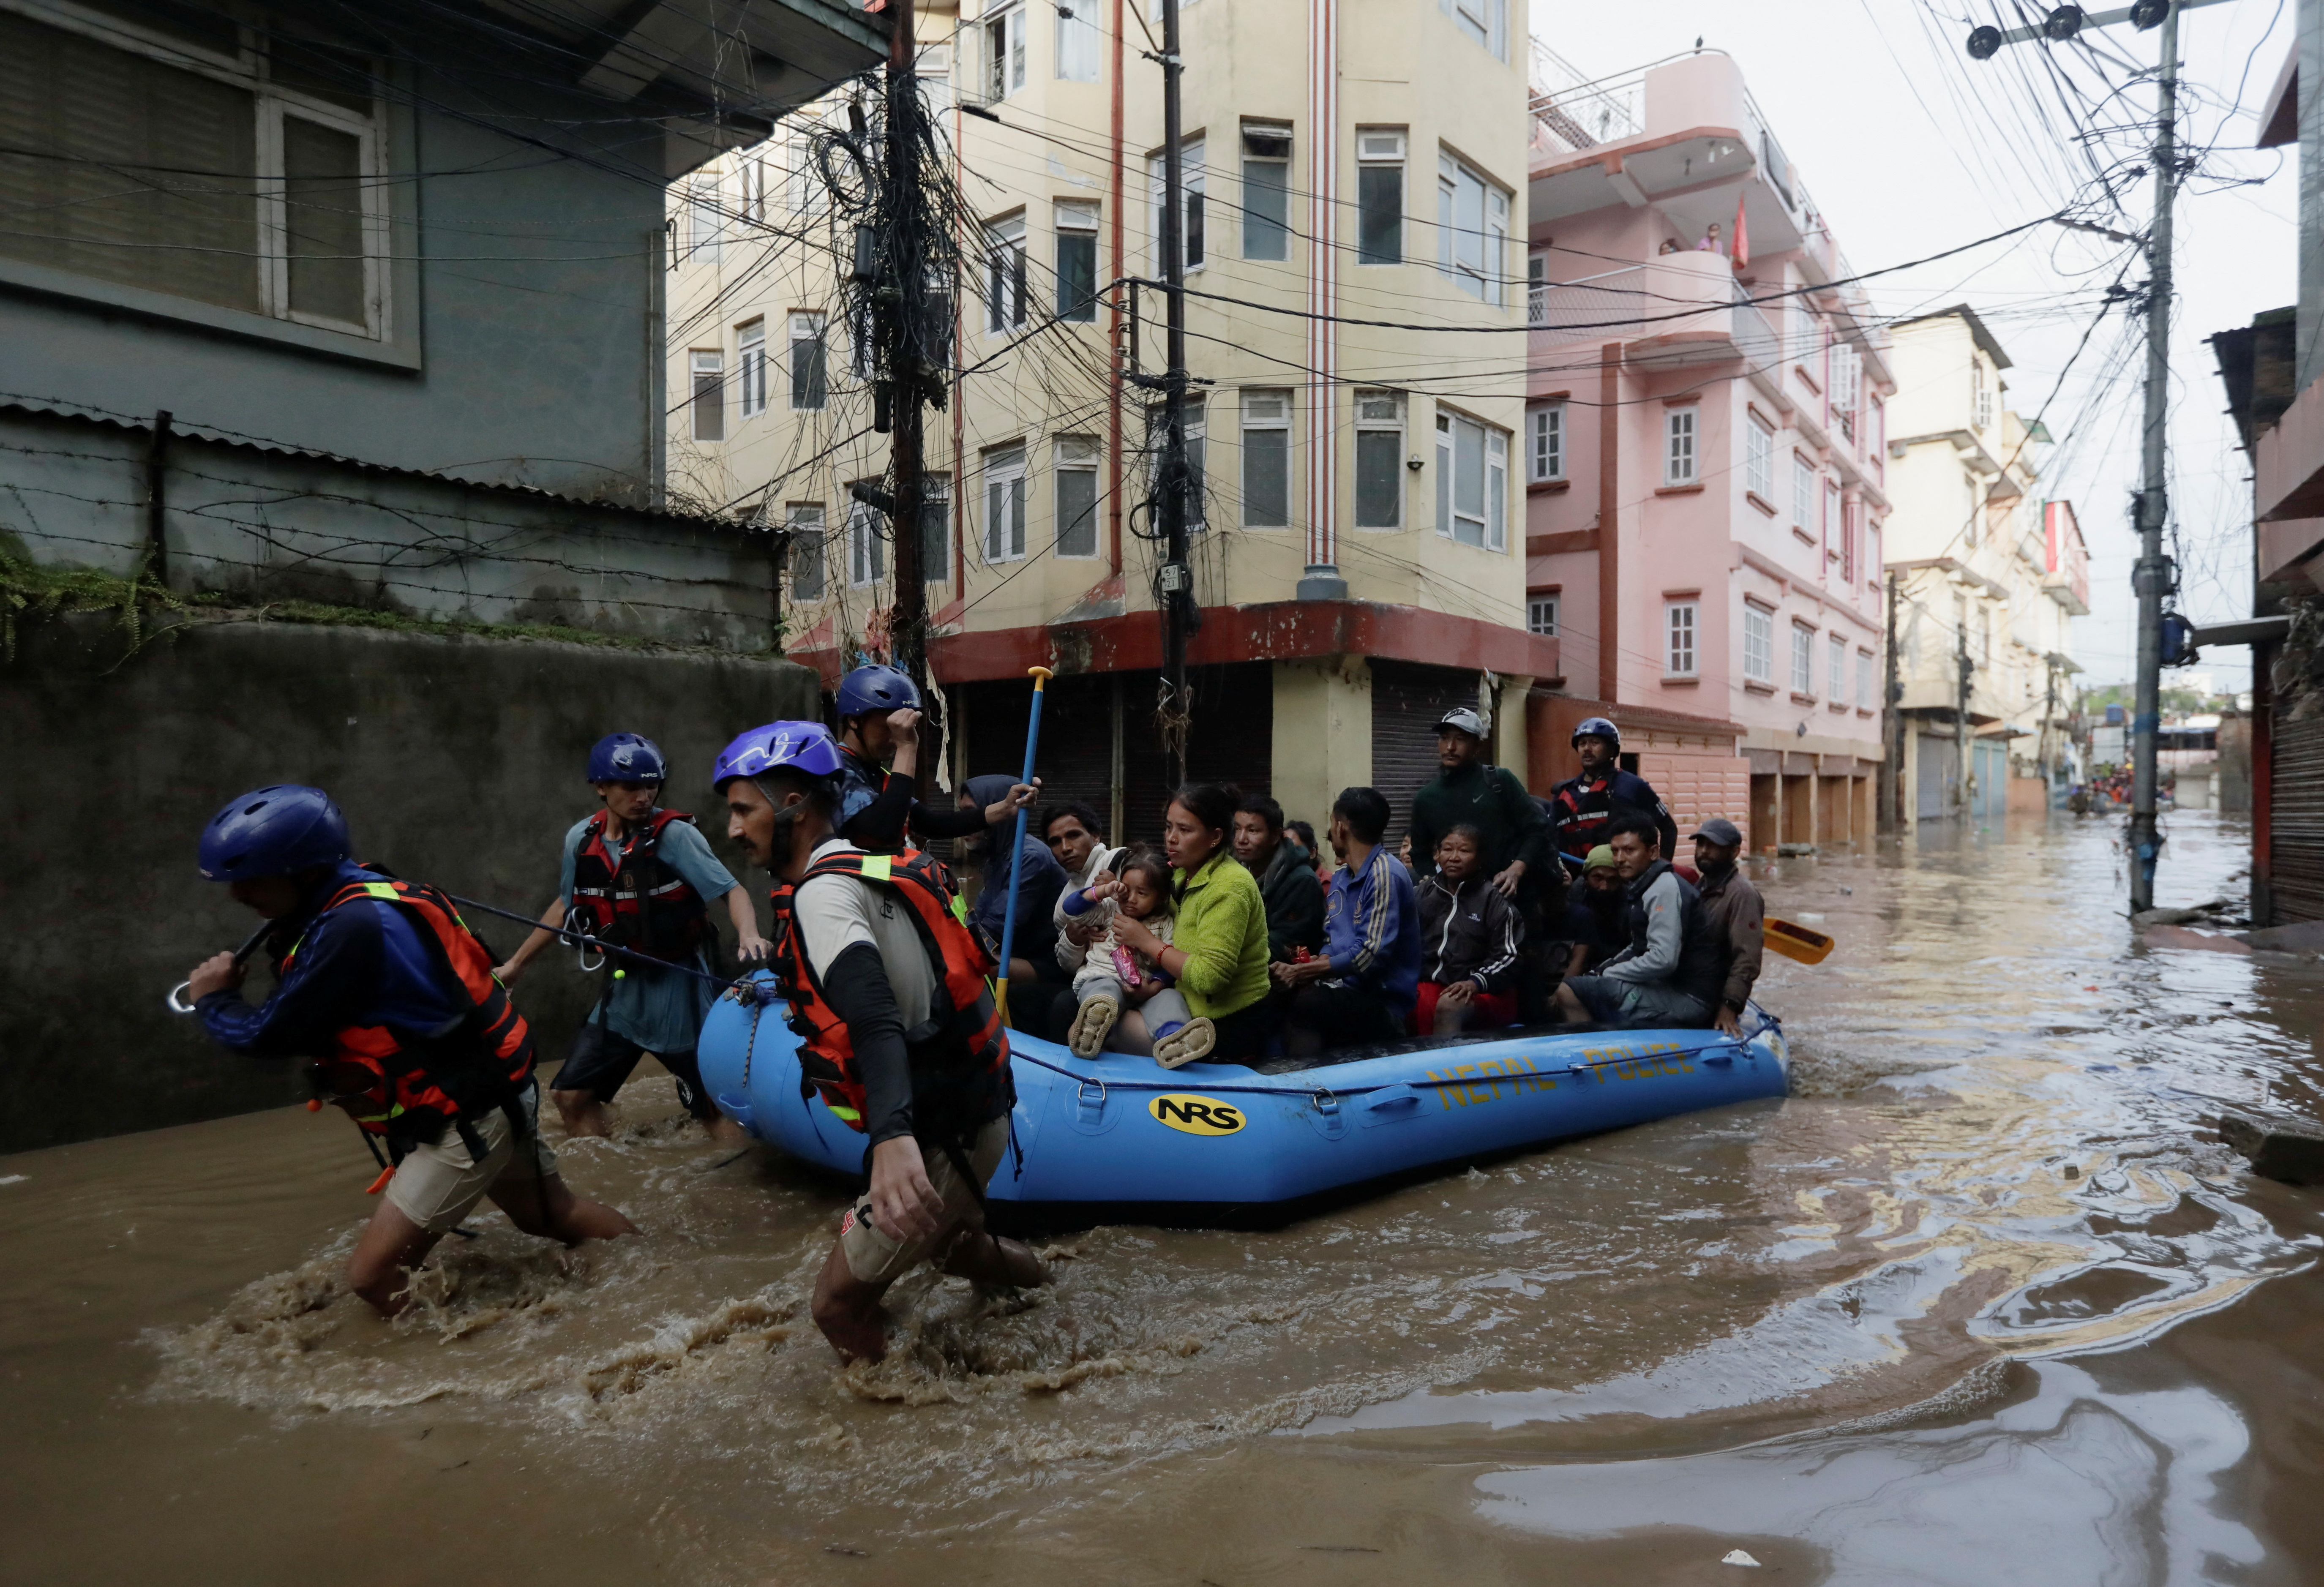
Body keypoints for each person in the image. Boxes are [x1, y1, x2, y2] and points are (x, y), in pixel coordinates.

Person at [184, 785, 636, 1315]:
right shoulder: (359, 896)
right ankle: (653, 1268)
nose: (238, 897)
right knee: (552, 1217)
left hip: (467, 1117)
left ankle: (480, 1375)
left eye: (250, 881)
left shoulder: (348, 927)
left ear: (303, 870)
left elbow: (269, 1034)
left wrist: (215, 1001)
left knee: (372, 1279)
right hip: (489, 1095)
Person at [715, 722, 1047, 1364]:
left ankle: (900, 1435)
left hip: (937, 1129)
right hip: (974, 1104)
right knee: (959, 1250)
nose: (732, 829)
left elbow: (873, 1015)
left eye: (741, 810)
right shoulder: (860, 858)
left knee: (835, 1307)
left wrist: (893, 1139)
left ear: (793, 806)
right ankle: (1048, 1288)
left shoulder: (824, 895)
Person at [494, 733, 767, 1142]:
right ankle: (617, 1169)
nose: (643, 796)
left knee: (714, 1111)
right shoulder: (581, 840)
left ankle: (734, 1184)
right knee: (570, 1096)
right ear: (601, 787)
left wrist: (749, 933)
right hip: (623, 996)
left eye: (651, 785)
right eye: (631, 786)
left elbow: (732, 891)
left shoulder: (676, 837)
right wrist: (516, 965)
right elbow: (565, 906)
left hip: (680, 993)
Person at [1110, 783, 1277, 1065]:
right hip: (1183, 1005)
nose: (1171, 839)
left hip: (1226, 1024)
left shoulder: (1230, 886)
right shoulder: (1180, 877)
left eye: (1185, 830)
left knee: (1108, 1025)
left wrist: (1148, 942)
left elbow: (1210, 978)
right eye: (1168, 827)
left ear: (1215, 837)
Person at [828, 663, 1039, 854]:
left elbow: (932, 824)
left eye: (903, 731)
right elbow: (884, 829)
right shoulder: (834, 768)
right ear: (854, 721)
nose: (896, 740)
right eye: (889, 729)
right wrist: (908, 747)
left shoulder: (874, 773)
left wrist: (1005, 808)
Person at [1273, 787, 1421, 1055]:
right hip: (1342, 990)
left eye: (1331, 824)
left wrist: (1312, 971)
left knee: (1307, 1001)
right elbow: (1331, 935)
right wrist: (1320, 960)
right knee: (1282, 994)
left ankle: (1306, 1084)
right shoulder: (1342, 877)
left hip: (1383, 1003)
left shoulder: (1385, 874)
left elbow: (1370, 955)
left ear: (1341, 828)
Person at [1552, 813, 1724, 1030]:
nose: (1620, 859)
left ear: (1653, 852)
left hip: (1690, 998)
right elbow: (1638, 947)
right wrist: (1603, 970)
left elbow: (1663, 960)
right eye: (1615, 851)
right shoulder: (1644, 885)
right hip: (1672, 987)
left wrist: (1610, 974)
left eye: (1629, 850)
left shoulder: (1663, 889)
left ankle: (1592, 1056)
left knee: (1567, 991)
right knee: (1591, 981)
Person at [1057, 849, 1213, 1063]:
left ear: (1161, 898)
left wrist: (1153, 988)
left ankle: (1175, 1039)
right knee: (1106, 992)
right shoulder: (1110, 909)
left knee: (1171, 998)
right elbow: (1071, 909)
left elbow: (1168, 966)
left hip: (1144, 988)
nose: (1131, 899)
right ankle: (1094, 1024)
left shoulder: (1165, 923)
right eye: (1126, 890)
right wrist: (1102, 891)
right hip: (1104, 977)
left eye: (1142, 893)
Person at [1407, 707, 1550, 898]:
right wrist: (1435, 882)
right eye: (1444, 738)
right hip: (1458, 904)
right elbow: (1419, 853)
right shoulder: (1427, 797)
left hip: (1510, 896)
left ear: (1477, 746)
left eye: (1460, 739)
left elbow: (1537, 830)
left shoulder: (1500, 781)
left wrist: (1516, 871)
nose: (1450, 747)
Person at [958, 772, 1069, 1017]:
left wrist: (959, 949)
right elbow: (980, 917)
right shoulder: (995, 858)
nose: (965, 822)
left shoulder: (1029, 857)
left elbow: (999, 923)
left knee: (972, 965)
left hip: (1048, 962)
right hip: (1016, 953)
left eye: (972, 812)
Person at [1413, 825, 1524, 1036]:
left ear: (1480, 858)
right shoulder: (1421, 894)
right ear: (1437, 854)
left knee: (1450, 1004)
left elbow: (1511, 956)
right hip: (1430, 984)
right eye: (1447, 850)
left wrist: (1476, 982)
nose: (1454, 857)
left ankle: (1446, 1068)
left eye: (1464, 851)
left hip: (1484, 991)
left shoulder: (1495, 900)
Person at [1547, 717, 1679, 879]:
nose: (1587, 749)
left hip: (1623, 883)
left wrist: (1660, 871)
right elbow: (1548, 838)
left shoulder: (1633, 786)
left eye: (1595, 743)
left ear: (1612, 750)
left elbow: (1669, 828)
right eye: (1582, 744)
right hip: (1576, 884)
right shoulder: (1563, 793)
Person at [1690, 817, 1764, 1036]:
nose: (1704, 851)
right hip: (1694, 984)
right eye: (1701, 845)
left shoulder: (1742, 894)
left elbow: (1747, 958)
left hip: (1712, 994)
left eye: (1713, 846)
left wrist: (1729, 1007)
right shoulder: (1702, 886)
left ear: (1734, 852)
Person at [1232, 794, 1326, 962]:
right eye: (1238, 829)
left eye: (1252, 831)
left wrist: (1225, 951)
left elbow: (1282, 945)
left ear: (1276, 836)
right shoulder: (1233, 870)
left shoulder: (1302, 881)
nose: (1241, 839)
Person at [1558, 844, 1629, 977]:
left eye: (1613, 880)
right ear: (1586, 877)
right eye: (1598, 878)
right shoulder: (1575, 897)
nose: (1604, 887)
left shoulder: (1631, 904)